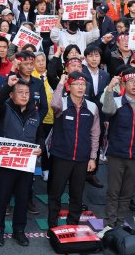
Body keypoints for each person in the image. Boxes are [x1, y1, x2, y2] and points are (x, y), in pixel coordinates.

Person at [0, 76, 45, 246]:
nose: (24, 96)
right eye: (20, 92)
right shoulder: (4, 109)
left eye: (26, 93)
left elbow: (40, 136)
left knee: (22, 198)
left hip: (26, 164)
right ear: (12, 95)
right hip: (6, 164)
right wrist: (8, 86)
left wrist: (41, 148)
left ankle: (19, 230)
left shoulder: (35, 113)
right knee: (2, 198)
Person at [101, 70, 135, 229]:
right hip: (117, 154)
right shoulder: (116, 101)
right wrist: (110, 87)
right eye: (130, 81)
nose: (134, 85)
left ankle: (119, 223)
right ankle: (109, 225)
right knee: (113, 192)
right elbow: (107, 110)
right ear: (124, 84)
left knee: (127, 193)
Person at [47, 71, 100, 228]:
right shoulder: (61, 103)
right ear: (69, 86)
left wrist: (92, 157)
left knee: (77, 195)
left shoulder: (92, 107)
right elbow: (53, 104)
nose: (80, 87)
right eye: (76, 84)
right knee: (55, 194)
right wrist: (60, 83)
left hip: (82, 159)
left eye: (83, 84)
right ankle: (52, 226)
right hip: (61, 156)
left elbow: (95, 133)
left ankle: (72, 225)